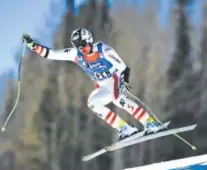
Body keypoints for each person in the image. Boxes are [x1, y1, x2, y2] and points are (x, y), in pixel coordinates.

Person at [22, 28, 164, 140]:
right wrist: (33, 45)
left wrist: (124, 82)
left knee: (118, 99)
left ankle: (150, 122)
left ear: (89, 41)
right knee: (93, 103)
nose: (82, 49)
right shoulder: (75, 54)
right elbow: (51, 54)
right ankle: (124, 128)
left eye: (83, 45)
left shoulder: (104, 50)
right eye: (78, 47)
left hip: (114, 78)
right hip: (102, 86)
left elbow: (123, 68)